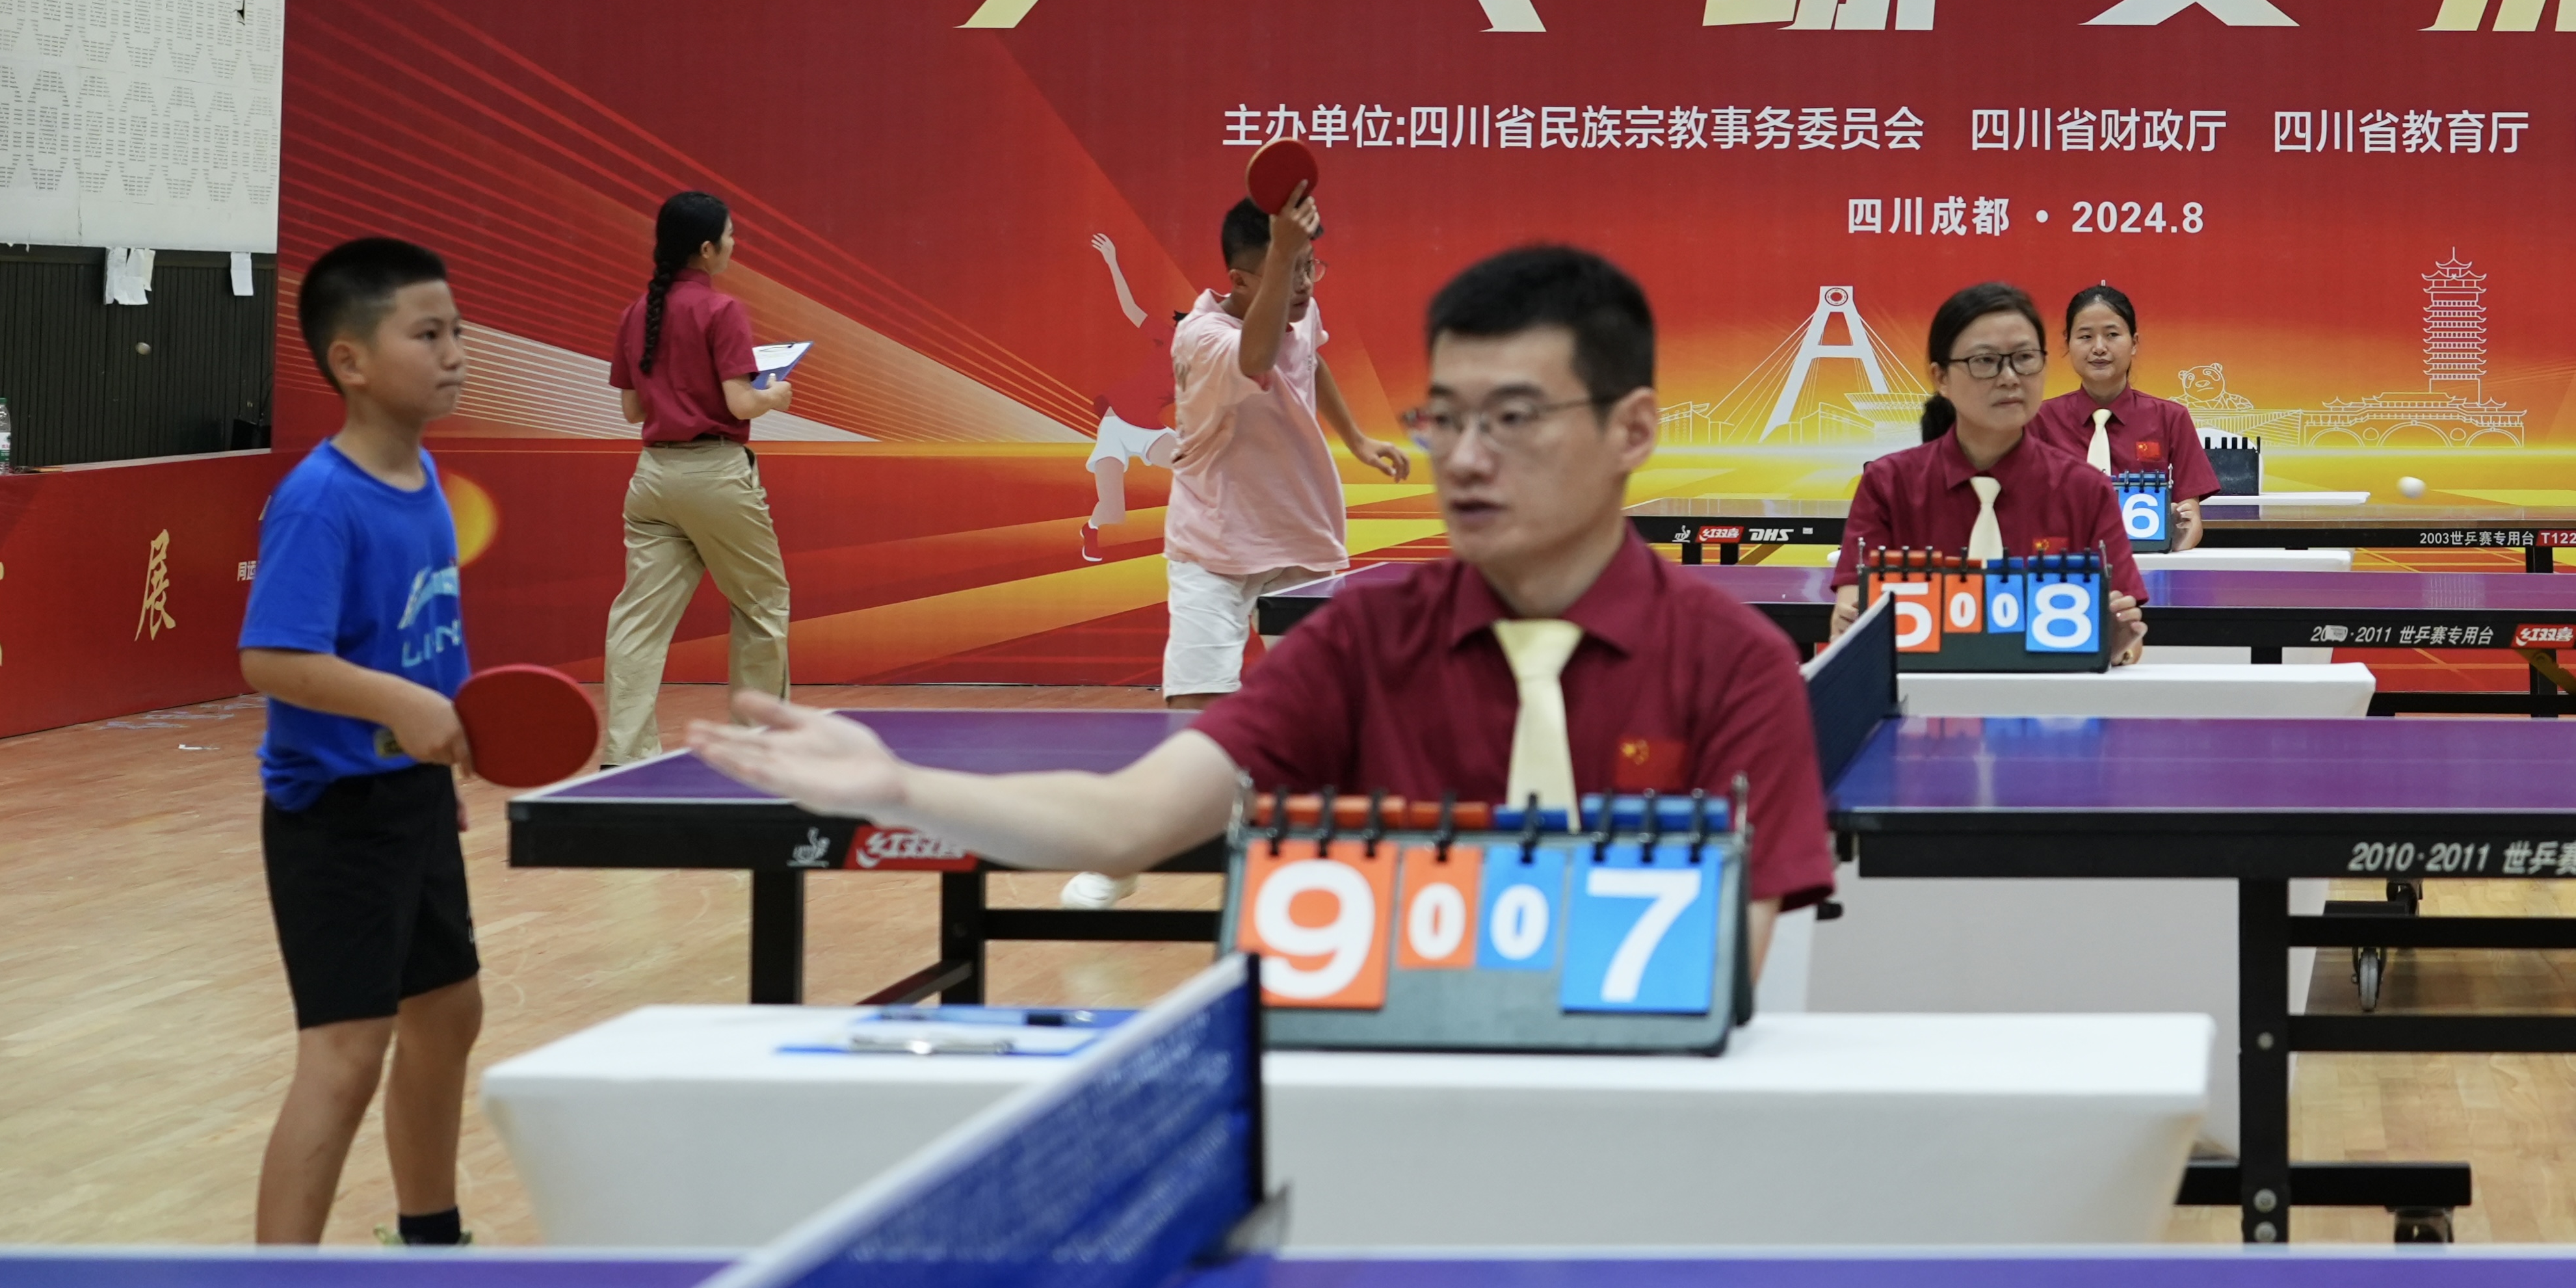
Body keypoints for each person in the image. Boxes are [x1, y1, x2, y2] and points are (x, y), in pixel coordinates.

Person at [684, 245, 1833, 972]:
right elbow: (1126, 818)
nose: (1469, 458)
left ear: (1633, 429)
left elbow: (1728, 955)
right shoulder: (1364, 643)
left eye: (1517, 418)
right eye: (1447, 418)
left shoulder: (1735, 664)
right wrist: (899, 787)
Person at [1066, 185, 1410, 909]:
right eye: (1288, 269)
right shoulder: (1200, 336)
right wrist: (1285, 256)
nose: (1305, 284)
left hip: (1302, 537)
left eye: (1311, 267)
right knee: (1197, 710)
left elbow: (1308, 361)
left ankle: (1338, 860)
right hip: (1212, 544)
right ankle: (1131, 848)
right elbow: (1259, 354)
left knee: (1327, 711)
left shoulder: (1298, 301)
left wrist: (1356, 438)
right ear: (1241, 280)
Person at [241, 237, 483, 1248]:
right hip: (333, 813)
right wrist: (402, 705)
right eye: (427, 333)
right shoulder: (321, 499)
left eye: (456, 329)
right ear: (350, 359)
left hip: (407, 797)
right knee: (345, 1051)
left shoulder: (420, 474)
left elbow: (423, 638)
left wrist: (436, 749)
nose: (455, 351)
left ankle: (430, 1238)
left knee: (448, 1010)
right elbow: (270, 655)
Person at [1844, 282, 2149, 664]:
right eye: (1985, 361)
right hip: (1919, 698)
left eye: (2025, 358)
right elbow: (1850, 621)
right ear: (1941, 378)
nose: (2009, 377)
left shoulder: (2086, 490)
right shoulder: (1888, 485)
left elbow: (2128, 636)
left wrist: (2117, 645)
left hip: (2051, 698)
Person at [599, 191, 800, 768]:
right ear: (708, 248)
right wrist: (776, 393)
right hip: (714, 474)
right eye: (731, 235)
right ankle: (759, 745)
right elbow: (741, 403)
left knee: (638, 620)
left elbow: (631, 411)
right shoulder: (723, 309)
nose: (735, 244)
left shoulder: (636, 312)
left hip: (652, 478)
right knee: (762, 603)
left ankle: (623, 752)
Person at [2025, 280, 2218, 554]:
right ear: (2068, 342)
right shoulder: (2040, 421)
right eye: (2085, 336)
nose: (2099, 348)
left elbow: (2191, 519)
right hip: (2066, 568)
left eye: (2112, 335)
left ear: (2134, 343)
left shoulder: (2171, 418)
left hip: (2149, 569)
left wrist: (2176, 537)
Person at [1079, 229, 1185, 564]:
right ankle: (1091, 530)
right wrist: (1112, 261)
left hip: (1149, 433)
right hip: (1115, 427)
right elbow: (1130, 308)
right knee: (1113, 511)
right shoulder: (1168, 336)